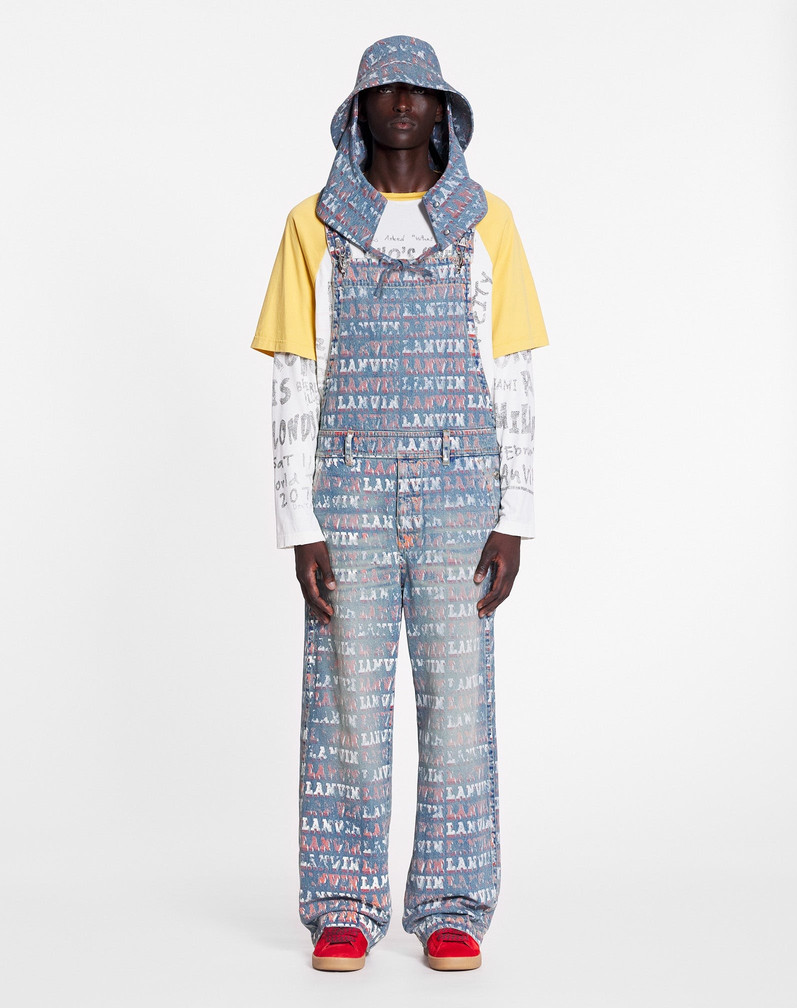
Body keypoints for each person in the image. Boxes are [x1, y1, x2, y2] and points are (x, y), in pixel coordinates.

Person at [251, 35, 548, 972]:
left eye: (421, 90)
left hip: (463, 489)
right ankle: (343, 902)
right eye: (385, 91)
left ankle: (453, 905)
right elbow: (294, 375)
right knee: (346, 699)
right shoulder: (313, 224)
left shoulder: (488, 222)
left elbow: (513, 371)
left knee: (459, 703)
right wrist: (299, 523)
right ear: (358, 112)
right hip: (349, 490)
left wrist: (515, 513)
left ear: (445, 110)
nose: (404, 104)